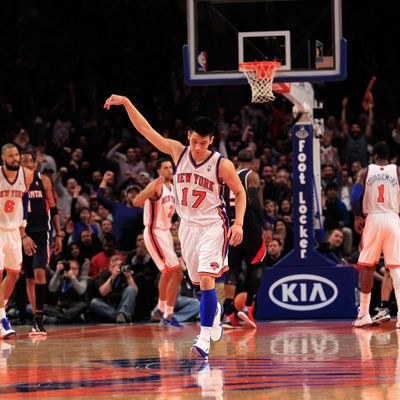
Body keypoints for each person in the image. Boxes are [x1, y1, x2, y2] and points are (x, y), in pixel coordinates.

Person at [104, 95, 246, 360]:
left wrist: (238, 222)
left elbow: (239, 192)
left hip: (214, 225)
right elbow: (146, 130)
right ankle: (213, 311)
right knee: (196, 282)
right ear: (188, 135)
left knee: (206, 279)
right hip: (188, 227)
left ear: (211, 141)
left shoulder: (221, 164)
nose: (198, 148)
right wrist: (126, 103)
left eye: (204, 143)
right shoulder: (177, 151)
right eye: (194, 141)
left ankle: (203, 339)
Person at [350, 142, 400, 328]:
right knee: (396, 267)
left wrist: (356, 217)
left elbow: (355, 197)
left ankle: (364, 313)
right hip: (393, 218)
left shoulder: (365, 172)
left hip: (373, 218)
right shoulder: (398, 172)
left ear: (375, 156)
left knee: (367, 267)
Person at [132, 158, 183, 328]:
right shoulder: (157, 185)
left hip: (166, 232)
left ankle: (161, 310)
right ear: (158, 171)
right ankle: (167, 314)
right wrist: (151, 188)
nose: (169, 170)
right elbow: (136, 201)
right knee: (176, 272)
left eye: (171, 167)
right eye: (165, 167)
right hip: (154, 231)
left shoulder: (172, 187)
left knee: (167, 272)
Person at [19, 152, 63, 336]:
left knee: (39, 271)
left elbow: (53, 209)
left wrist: (59, 234)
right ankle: (35, 319)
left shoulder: (44, 180)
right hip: (21, 233)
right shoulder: (15, 183)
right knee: (28, 277)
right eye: (25, 162)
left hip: (40, 233)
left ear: (36, 164)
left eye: (31, 161)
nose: (29, 164)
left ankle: (39, 318)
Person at [223, 149, 265, 329]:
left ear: (236, 160)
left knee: (232, 268)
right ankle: (248, 308)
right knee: (257, 263)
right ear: (254, 161)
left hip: (231, 223)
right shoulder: (252, 176)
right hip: (247, 221)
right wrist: (263, 225)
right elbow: (254, 201)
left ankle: (228, 313)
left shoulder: (227, 177)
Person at [0, 144, 33, 338]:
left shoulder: (27, 175)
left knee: (13, 275)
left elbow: (25, 200)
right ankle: (3, 319)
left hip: (13, 231)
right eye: (10, 156)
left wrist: (23, 230)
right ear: (3, 158)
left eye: (16, 155)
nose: (15, 158)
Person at [89, 255, 138, 323]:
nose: (119, 268)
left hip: (123, 305)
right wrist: (112, 276)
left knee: (130, 289)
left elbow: (134, 292)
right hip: (109, 306)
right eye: (116, 266)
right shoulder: (104, 274)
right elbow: (103, 292)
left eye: (120, 266)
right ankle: (120, 315)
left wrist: (129, 277)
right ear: (110, 267)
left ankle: (122, 313)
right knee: (94, 302)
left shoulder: (125, 274)